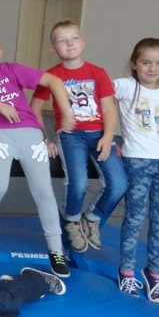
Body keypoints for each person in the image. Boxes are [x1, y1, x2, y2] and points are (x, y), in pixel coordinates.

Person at [0, 31, 76, 277]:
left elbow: (53, 81)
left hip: (29, 133)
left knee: (43, 191)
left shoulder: (11, 69)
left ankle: (56, 250)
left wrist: (66, 112)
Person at [30, 20, 126, 252]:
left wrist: (108, 136)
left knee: (119, 183)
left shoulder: (97, 73)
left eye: (74, 38)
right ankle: (72, 220)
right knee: (78, 182)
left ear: (82, 42)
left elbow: (109, 109)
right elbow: (34, 108)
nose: (69, 43)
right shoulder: (51, 75)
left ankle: (92, 218)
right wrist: (44, 138)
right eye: (62, 40)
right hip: (71, 135)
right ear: (53, 48)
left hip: (99, 134)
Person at [113, 38, 159, 304]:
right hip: (138, 159)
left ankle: (155, 273)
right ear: (134, 63)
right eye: (146, 62)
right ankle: (126, 271)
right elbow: (105, 108)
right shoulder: (125, 86)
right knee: (135, 217)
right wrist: (107, 137)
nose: (153, 68)